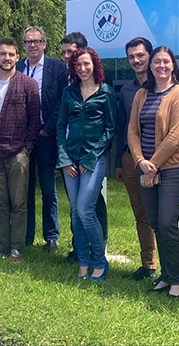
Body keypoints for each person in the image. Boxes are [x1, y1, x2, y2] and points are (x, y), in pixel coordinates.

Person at [128, 46, 179, 298]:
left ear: (173, 65)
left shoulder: (178, 94)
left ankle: (175, 279)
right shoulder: (141, 94)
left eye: (166, 61)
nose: (161, 66)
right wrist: (140, 161)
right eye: (156, 61)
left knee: (167, 222)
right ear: (151, 66)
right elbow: (132, 131)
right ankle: (165, 276)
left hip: (172, 168)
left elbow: (176, 136)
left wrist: (151, 166)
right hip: (145, 168)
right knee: (154, 222)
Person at [0, 38, 41, 263]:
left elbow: (34, 119)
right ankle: (2, 245)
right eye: (3, 54)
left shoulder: (28, 84)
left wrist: (27, 148)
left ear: (17, 57)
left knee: (19, 203)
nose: (7, 58)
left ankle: (17, 248)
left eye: (11, 54)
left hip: (18, 152)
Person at [57, 47, 117, 280]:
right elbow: (61, 126)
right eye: (78, 65)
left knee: (85, 210)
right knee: (75, 212)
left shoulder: (106, 92)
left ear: (95, 65)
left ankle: (100, 261)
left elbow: (110, 129)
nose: (82, 68)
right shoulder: (69, 92)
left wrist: (91, 157)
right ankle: (83, 262)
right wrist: (64, 158)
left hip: (93, 159)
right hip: (70, 158)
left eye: (86, 64)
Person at [18, 26, 69, 253]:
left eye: (36, 41)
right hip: (23, 138)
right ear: (23, 45)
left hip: (46, 136)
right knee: (24, 188)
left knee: (48, 188)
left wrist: (47, 129)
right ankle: (26, 235)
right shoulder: (18, 68)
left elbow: (61, 101)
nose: (32, 45)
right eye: (28, 41)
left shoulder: (57, 68)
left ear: (44, 44)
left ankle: (51, 236)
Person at [114, 37, 158, 281]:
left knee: (162, 216)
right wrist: (119, 162)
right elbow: (122, 127)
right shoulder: (126, 91)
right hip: (131, 160)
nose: (136, 60)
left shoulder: (164, 85)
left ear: (150, 56)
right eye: (131, 57)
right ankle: (148, 265)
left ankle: (171, 269)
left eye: (140, 55)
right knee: (141, 213)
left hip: (159, 161)